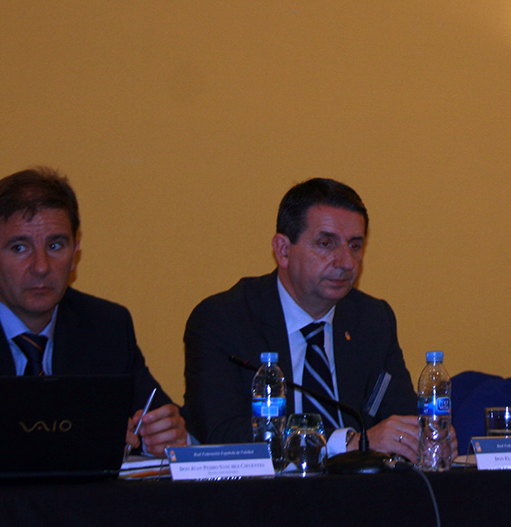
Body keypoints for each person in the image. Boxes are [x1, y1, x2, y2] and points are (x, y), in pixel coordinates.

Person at [0, 168, 188, 476]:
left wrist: (170, 437)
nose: (41, 267)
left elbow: (159, 419)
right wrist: (71, 444)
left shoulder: (106, 326)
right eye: (20, 247)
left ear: (76, 251)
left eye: (55, 246)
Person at [184, 178, 447, 462]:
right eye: (326, 243)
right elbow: (220, 434)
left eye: (355, 245)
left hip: (359, 487)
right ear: (283, 250)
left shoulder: (372, 319)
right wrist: (344, 443)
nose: (347, 262)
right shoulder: (223, 319)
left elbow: (400, 418)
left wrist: (427, 439)